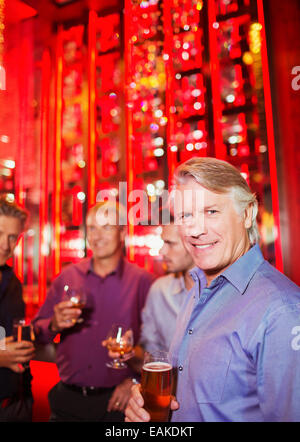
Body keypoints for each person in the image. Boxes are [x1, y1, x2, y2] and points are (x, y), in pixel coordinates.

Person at [125, 156, 300, 422]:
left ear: (247, 213)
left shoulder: (281, 310)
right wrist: (145, 403)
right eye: (186, 215)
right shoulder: (197, 287)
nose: (195, 230)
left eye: (211, 212)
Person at [33, 201, 154, 422]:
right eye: (92, 228)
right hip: (66, 400)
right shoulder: (67, 277)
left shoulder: (143, 281)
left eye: (106, 227)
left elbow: (160, 347)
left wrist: (136, 381)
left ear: (122, 232)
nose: (97, 236)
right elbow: (37, 333)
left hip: (117, 405)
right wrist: (54, 324)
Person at [138, 212, 194, 355]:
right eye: (163, 242)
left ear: (195, 243)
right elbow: (150, 352)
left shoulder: (223, 293)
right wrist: (130, 354)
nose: (162, 250)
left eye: (170, 243)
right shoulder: (160, 290)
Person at [0, 197, 35, 422]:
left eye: (13, 237)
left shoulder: (12, 280)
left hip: (16, 401)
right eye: (0, 233)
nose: (5, 245)